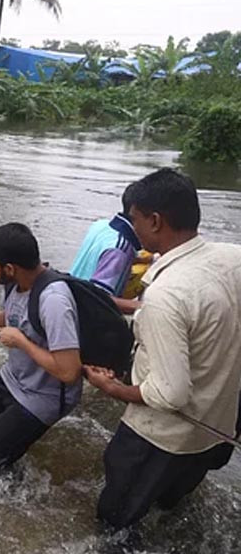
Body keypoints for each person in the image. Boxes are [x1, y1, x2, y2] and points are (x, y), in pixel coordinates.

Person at [83, 168, 241, 532]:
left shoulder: (165, 295)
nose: (132, 227)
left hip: (160, 438)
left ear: (155, 221)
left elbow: (170, 393)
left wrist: (112, 388)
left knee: (115, 518)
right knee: (170, 505)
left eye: (135, 219)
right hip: (216, 427)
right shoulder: (231, 259)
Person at [0, 223, 83, 480]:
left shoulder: (54, 301)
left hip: (46, 396)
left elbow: (69, 372)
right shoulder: (16, 284)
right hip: (15, 378)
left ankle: (10, 492)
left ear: (9, 268)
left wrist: (21, 342)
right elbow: (11, 317)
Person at [68, 185, 151, 313]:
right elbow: (98, 298)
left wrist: (145, 260)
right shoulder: (120, 250)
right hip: (84, 316)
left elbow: (102, 259)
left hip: (69, 298)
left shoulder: (101, 225)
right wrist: (145, 307)